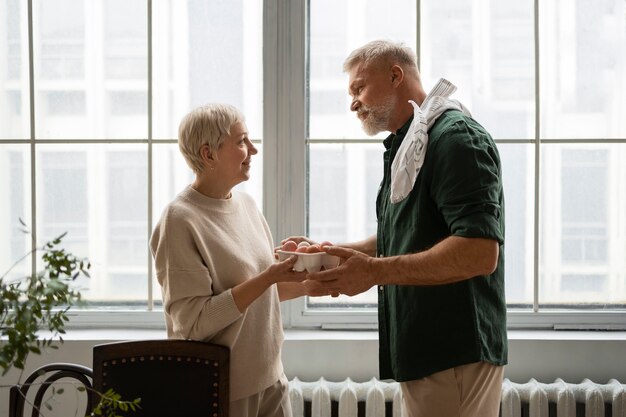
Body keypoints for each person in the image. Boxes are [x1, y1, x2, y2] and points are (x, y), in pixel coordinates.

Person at [300, 40, 507, 417]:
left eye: (358, 88)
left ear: (396, 75)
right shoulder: (412, 143)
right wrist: (332, 254)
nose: (353, 103)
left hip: (454, 354)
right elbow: (410, 234)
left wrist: (373, 273)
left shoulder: (455, 139)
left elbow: (480, 251)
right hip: (429, 353)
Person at [150, 103, 309, 417]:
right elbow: (193, 324)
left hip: (271, 381)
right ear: (208, 154)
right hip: (222, 392)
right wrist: (269, 276)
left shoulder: (246, 205)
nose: (252, 150)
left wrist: (310, 278)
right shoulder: (180, 220)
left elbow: (261, 297)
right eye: (241, 141)